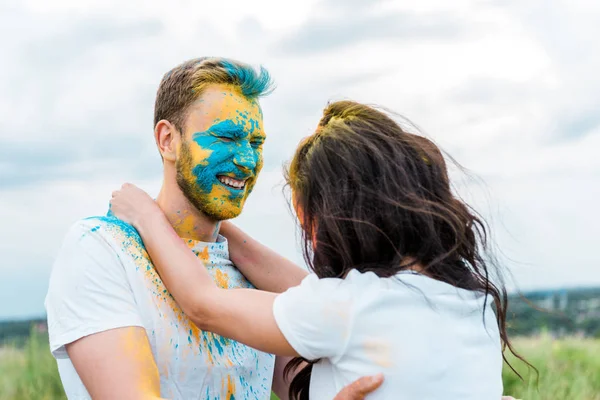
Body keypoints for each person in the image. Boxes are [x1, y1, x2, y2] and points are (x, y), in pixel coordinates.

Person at [110, 100, 526, 400]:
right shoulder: (470, 300)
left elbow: (204, 303)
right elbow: (305, 290)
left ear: (341, 215)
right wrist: (212, 224)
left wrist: (147, 215)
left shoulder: (345, 310)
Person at [45, 58, 376, 400]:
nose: (247, 160)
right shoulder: (102, 249)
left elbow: (324, 359)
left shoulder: (248, 271)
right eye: (227, 136)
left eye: (256, 143)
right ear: (167, 140)